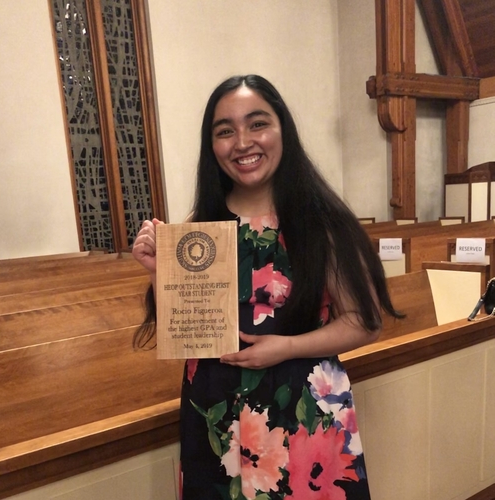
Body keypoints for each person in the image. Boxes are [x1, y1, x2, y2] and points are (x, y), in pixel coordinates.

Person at [132, 74, 402, 500]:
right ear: (212, 146)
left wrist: (286, 347)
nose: (242, 142)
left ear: (283, 130)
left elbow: (364, 323)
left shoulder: (321, 224)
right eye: (225, 131)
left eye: (257, 124)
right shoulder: (198, 232)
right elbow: (188, 334)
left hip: (300, 406)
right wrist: (155, 270)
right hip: (214, 414)